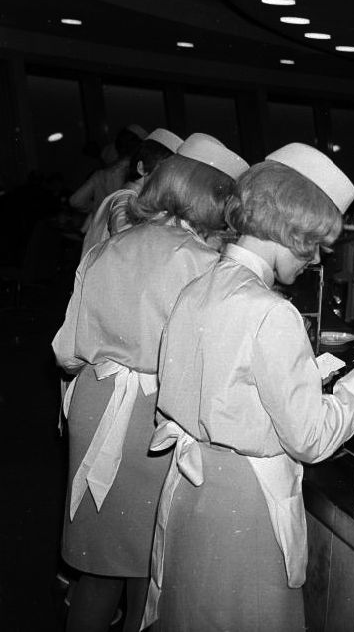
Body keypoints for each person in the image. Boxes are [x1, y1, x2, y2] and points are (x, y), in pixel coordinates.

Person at [145, 142, 354, 632]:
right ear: (289, 228)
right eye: (310, 245)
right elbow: (310, 439)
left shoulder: (199, 285)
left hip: (190, 492)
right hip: (246, 507)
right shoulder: (272, 311)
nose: (312, 260)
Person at [52, 133, 249, 632]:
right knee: (150, 563)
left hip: (95, 400)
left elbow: (65, 352)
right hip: (156, 413)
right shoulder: (205, 265)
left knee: (98, 564)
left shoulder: (110, 247)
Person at [78, 128, 183, 259]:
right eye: (166, 173)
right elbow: (126, 236)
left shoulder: (136, 198)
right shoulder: (126, 199)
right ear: (141, 168)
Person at [69, 124, 147, 229]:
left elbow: (75, 200)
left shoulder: (100, 174)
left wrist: (98, 207)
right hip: (127, 234)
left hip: (100, 236)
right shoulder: (139, 174)